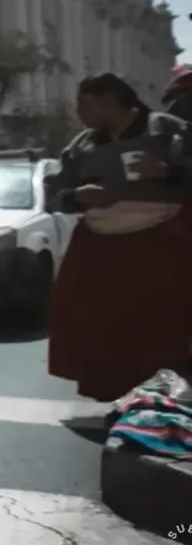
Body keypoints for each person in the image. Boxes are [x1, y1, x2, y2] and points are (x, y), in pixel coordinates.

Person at [47, 73, 192, 402]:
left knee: (159, 323)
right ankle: (117, 395)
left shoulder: (166, 129)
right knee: (99, 323)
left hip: (160, 241)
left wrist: (169, 171)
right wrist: (77, 195)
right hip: (101, 244)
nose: (79, 113)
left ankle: (165, 399)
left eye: (84, 104)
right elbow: (55, 192)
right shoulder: (82, 144)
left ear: (110, 100)